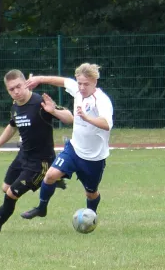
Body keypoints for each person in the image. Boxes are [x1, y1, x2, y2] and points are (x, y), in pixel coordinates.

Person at [0, 69, 73, 232]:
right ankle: (51, 179)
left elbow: (70, 118)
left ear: (26, 84)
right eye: (11, 89)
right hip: (23, 155)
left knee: (11, 194)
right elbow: (12, 126)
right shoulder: (16, 106)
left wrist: (54, 111)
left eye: (18, 86)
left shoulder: (39, 103)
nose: (16, 92)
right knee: (5, 187)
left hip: (40, 161)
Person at [21, 62, 113, 220]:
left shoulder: (102, 101)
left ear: (95, 82)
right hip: (74, 149)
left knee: (91, 193)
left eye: (86, 84)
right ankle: (41, 208)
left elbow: (106, 125)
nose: (82, 87)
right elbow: (62, 81)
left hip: (94, 158)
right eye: (80, 83)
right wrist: (39, 79)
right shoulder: (77, 90)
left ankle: (91, 217)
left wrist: (87, 118)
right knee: (50, 175)